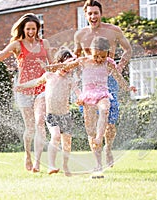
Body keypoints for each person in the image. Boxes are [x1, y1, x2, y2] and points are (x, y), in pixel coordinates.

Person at [45, 36, 136, 177]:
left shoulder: (109, 63)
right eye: (96, 56)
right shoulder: (84, 61)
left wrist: (128, 88)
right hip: (88, 97)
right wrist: (52, 68)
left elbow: (119, 78)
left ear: (108, 53)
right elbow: (65, 67)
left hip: (102, 93)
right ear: (90, 52)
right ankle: (98, 163)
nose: (99, 59)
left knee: (105, 108)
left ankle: (100, 137)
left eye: (102, 56)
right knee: (90, 132)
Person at [0, 13, 53, 173]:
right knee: (30, 128)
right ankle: (28, 155)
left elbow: (52, 65)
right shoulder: (17, 44)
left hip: (42, 89)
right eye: (28, 28)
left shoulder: (45, 43)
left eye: (33, 28)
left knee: (39, 122)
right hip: (24, 90)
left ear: (38, 29)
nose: (31, 31)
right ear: (23, 29)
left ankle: (37, 162)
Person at [74, 0, 132, 168]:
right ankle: (97, 161)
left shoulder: (114, 31)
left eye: (96, 13)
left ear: (101, 13)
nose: (93, 16)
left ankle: (108, 149)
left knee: (110, 123)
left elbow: (128, 50)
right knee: (90, 124)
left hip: (109, 81)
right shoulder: (80, 35)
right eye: (90, 13)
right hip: (89, 85)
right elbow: (76, 59)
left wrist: (119, 66)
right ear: (86, 15)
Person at [15, 47, 79, 177]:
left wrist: (81, 98)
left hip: (65, 115)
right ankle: (51, 166)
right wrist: (21, 86)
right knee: (55, 136)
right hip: (52, 115)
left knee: (67, 143)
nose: (70, 67)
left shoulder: (70, 79)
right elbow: (36, 82)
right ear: (59, 63)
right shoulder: (49, 76)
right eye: (68, 63)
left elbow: (77, 91)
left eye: (72, 64)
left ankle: (65, 166)